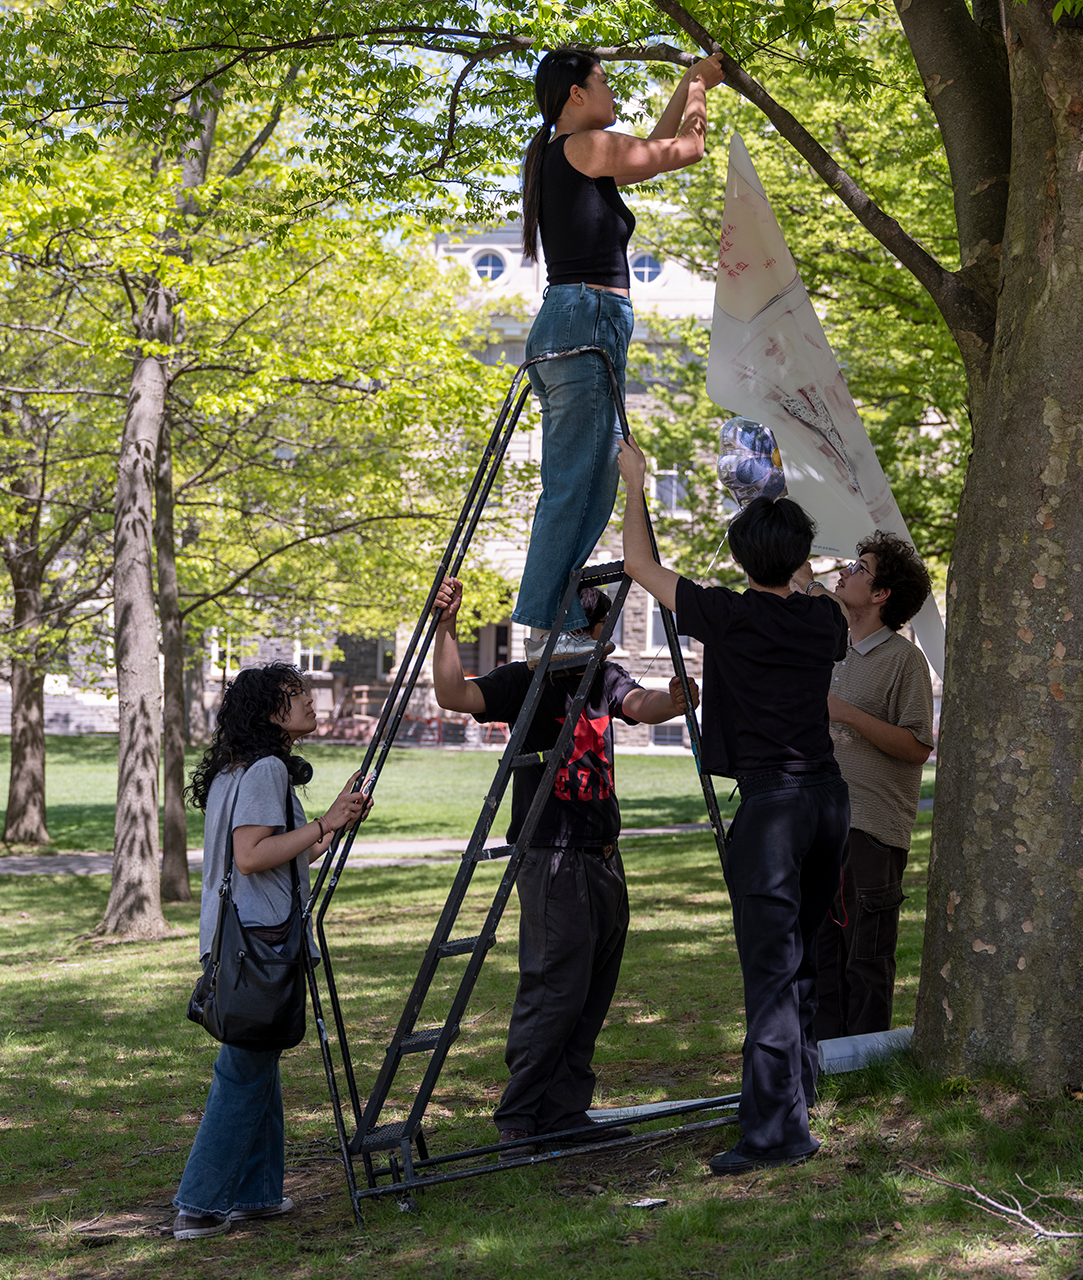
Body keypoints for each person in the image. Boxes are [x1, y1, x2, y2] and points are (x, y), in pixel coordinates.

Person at [616, 435, 849, 1175]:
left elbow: (638, 566)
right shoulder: (824, 621)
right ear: (798, 558)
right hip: (827, 802)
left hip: (775, 810)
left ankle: (777, 1133)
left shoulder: (728, 614)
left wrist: (635, 483)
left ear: (744, 562)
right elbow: (804, 578)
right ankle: (797, 1097)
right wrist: (786, 531)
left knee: (771, 971)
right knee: (803, 958)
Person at [430, 577, 697, 1153]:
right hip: (552, 856)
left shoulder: (604, 677)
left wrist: (673, 700)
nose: (597, 640)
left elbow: (638, 705)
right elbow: (454, 694)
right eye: (591, 630)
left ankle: (565, 1110)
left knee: (593, 988)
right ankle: (520, 1117)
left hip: (603, 856)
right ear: (586, 631)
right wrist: (446, 627)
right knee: (554, 987)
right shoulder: (525, 681)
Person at [511, 48, 725, 664]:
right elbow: (684, 150)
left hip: (571, 323)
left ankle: (552, 617)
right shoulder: (584, 145)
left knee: (583, 476)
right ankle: (550, 623)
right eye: (604, 82)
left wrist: (690, 84)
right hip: (585, 321)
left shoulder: (573, 151)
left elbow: (654, 153)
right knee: (578, 482)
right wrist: (701, 90)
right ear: (575, 95)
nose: (613, 95)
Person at [174, 664, 374, 1240]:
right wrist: (323, 821)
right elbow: (251, 857)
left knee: (256, 1062)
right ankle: (200, 1205)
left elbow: (280, 858)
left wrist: (331, 823)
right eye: (295, 695)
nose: (310, 700)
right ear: (270, 712)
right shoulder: (265, 770)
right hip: (261, 945)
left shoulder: (236, 771)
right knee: (242, 1070)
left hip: (233, 944)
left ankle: (258, 1195)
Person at [794, 532, 935, 1042]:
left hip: (872, 831)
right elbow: (805, 584)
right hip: (819, 826)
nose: (845, 571)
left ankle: (868, 1070)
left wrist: (846, 715)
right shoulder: (830, 647)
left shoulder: (904, 660)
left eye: (860, 567)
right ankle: (830, 1063)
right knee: (822, 959)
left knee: (866, 958)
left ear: (881, 596)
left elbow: (919, 745)